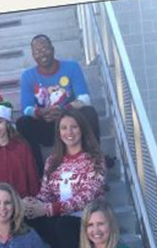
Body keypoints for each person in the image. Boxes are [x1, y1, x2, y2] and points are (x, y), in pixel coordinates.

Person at [23, 108, 106, 248]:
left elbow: (87, 196)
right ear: (58, 132)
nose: (69, 132)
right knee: (27, 215)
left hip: (87, 217)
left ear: (81, 129)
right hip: (60, 217)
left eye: (74, 127)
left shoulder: (94, 158)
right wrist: (33, 204)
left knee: (64, 225)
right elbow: (46, 193)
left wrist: (48, 209)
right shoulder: (53, 161)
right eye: (64, 128)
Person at [15, 34, 104, 174]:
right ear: (33, 55)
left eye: (45, 49)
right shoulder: (27, 75)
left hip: (71, 122)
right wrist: (40, 113)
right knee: (23, 123)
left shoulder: (72, 67)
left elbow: (84, 98)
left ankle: (95, 168)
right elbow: (25, 108)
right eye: (37, 51)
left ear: (53, 49)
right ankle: (38, 175)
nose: (42, 54)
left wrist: (65, 109)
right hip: (47, 124)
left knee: (89, 112)